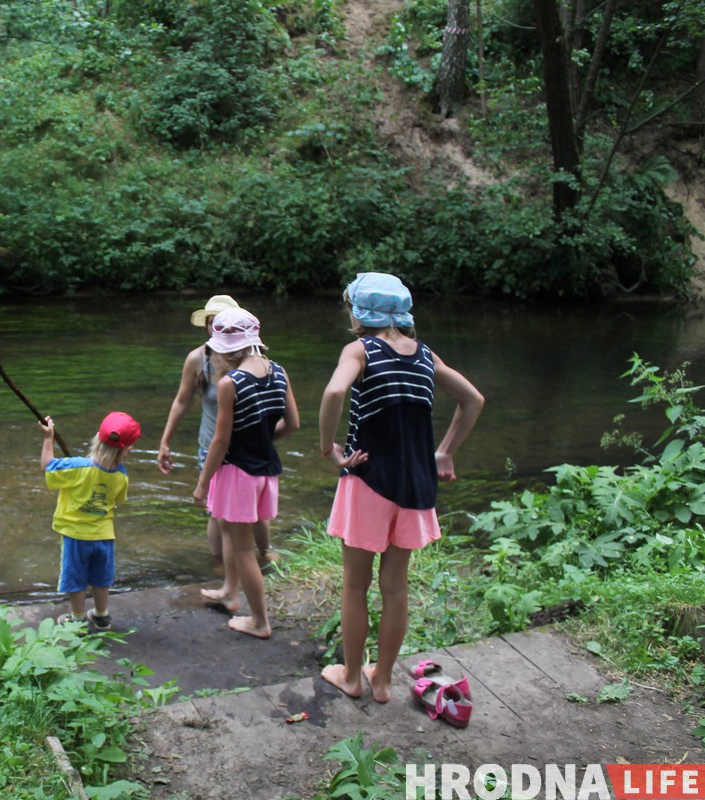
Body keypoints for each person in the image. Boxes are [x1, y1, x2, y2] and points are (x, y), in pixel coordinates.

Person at [318, 272, 485, 702]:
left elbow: (335, 390)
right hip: (415, 487)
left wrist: (328, 448)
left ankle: (353, 678)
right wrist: (445, 451)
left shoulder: (361, 349)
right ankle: (384, 681)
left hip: (368, 480)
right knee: (396, 586)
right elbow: (473, 400)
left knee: (356, 584)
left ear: (358, 313)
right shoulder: (426, 355)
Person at [192, 308, 300, 639]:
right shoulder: (278, 372)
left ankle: (260, 621)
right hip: (265, 470)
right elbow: (293, 423)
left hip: (236, 473)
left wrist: (202, 484)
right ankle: (228, 591)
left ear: (229, 349)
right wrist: (264, 439)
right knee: (227, 527)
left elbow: (221, 441)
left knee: (242, 548)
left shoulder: (230, 383)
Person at [157, 295, 277, 575]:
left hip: (252, 446)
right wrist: (165, 441)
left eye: (221, 323)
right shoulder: (198, 359)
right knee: (217, 511)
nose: (216, 328)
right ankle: (219, 564)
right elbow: (182, 401)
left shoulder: (254, 359)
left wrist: (271, 436)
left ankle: (265, 552)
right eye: (212, 323)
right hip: (213, 447)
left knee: (257, 509)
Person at [40, 411, 141, 633]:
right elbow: (117, 499)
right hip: (104, 537)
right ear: (127, 450)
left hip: (76, 536)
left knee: (75, 577)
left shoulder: (75, 466)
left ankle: (77, 619)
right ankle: (101, 616)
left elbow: (47, 466)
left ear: (97, 436)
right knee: (100, 578)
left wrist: (48, 439)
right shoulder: (121, 475)